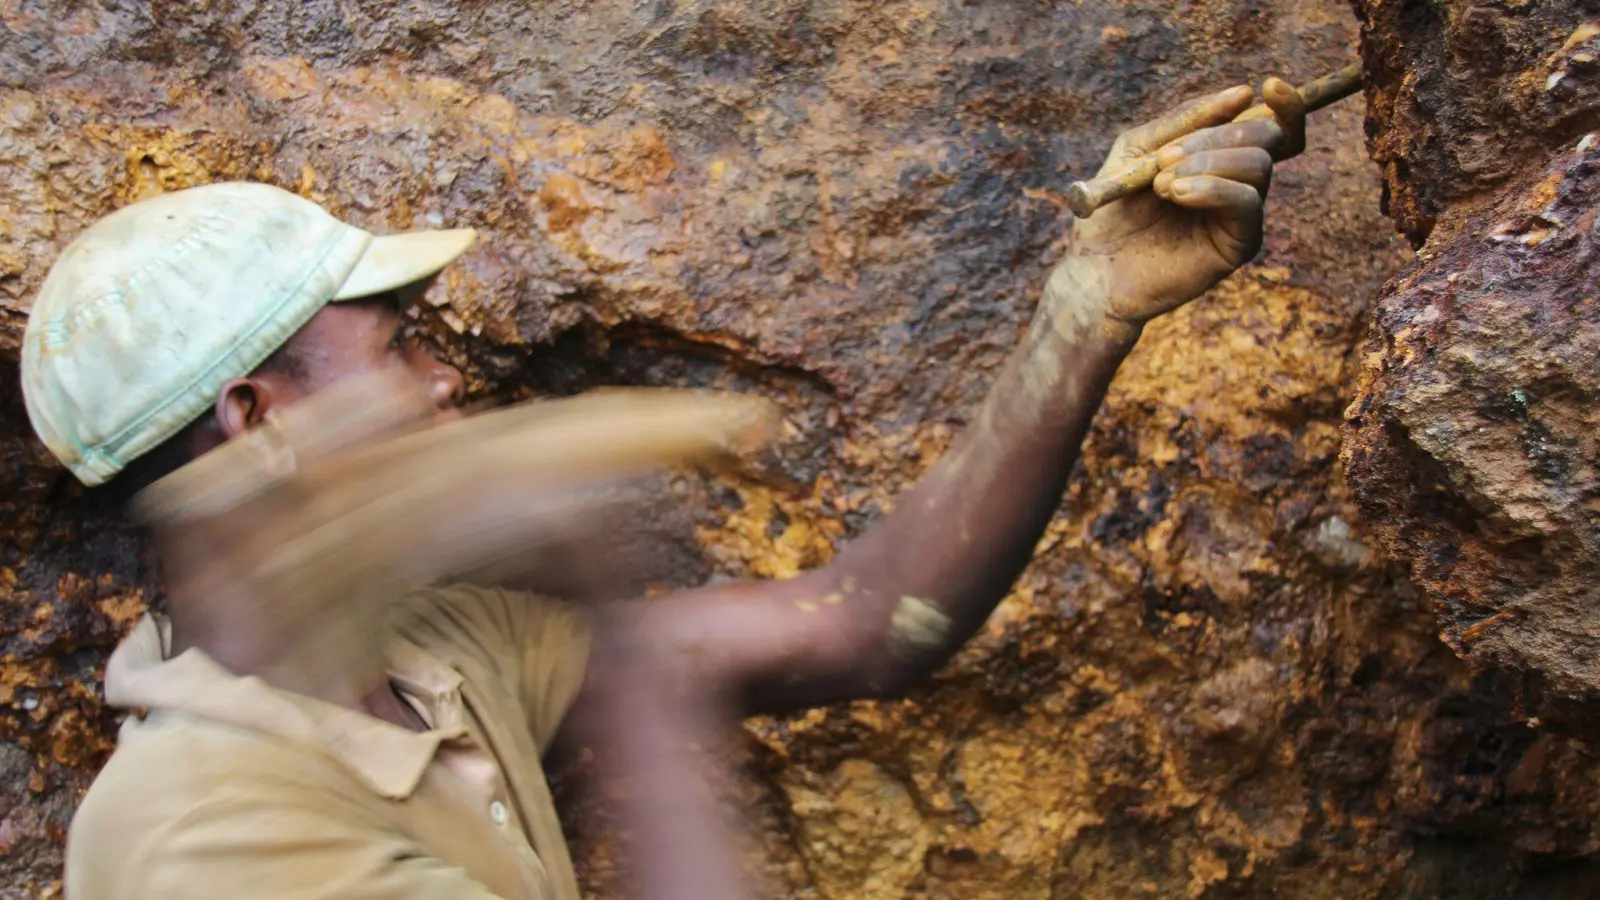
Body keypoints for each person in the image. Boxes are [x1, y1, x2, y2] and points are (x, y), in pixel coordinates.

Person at [24, 80, 1306, 899]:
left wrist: (1082, 310)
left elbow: (865, 623)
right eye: (402, 343)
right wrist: (591, 593)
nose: (443, 387)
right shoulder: (203, 834)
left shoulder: (424, 657)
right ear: (259, 421)